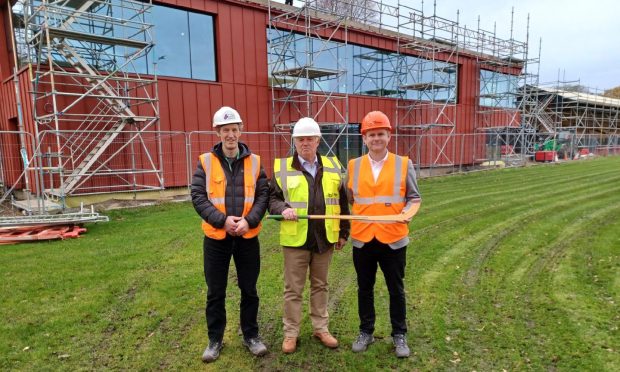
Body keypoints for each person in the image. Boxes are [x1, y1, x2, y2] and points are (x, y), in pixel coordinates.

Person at [191, 106, 269, 362]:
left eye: (234, 129)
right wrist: (222, 221)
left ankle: (251, 336)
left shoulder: (255, 162)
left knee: (250, 290)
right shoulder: (205, 162)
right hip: (217, 238)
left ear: (240, 130)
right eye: (225, 130)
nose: (231, 135)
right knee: (216, 292)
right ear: (218, 132)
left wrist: (249, 221)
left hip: (247, 237)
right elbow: (198, 198)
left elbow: (262, 196)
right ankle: (215, 340)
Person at [269, 117, 350, 354]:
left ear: (318, 140)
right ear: (294, 141)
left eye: (310, 139)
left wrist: (343, 231)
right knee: (293, 289)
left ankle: (320, 328)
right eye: (301, 139)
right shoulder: (282, 168)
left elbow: (341, 200)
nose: (305, 143)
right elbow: (272, 199)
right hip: (296, 239)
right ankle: (290, 333)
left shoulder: (333, 166)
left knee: (321, 286)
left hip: (324, 237)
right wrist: (283, 209)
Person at [345, 111, 421, 358]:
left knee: (395, 289)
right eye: (371, 134)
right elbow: (350, 199)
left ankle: (399, 334)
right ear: (364, 138)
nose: (376, 138)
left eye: (380, 133)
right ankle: (365, 331)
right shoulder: (353, 166)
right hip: (363, 238)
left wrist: (407, 213)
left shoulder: (403, 164)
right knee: (364, 288)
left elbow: (414, 198)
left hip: (393, 239)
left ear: (389, 135)